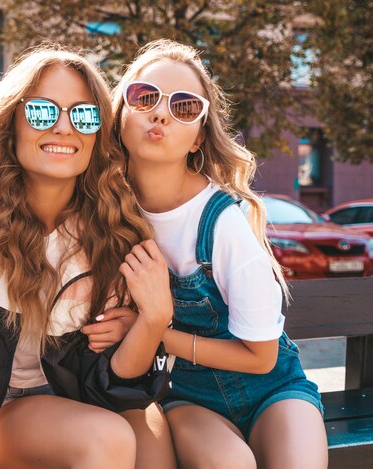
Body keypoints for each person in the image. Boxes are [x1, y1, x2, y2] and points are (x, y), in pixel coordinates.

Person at [0, 46, 176, 469]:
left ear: (98, 133)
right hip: (7, 415)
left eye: (84, 115)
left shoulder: (113, 229)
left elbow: (120, 386)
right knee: (107, 437)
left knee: (152, 449)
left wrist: (153, 320)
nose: (64, 128)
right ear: (11, 122)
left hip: (89, 400)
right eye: (42, 112)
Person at [108, 38, 327, 468]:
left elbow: (262, 358)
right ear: (120, 114)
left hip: (273, 388)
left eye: (184, 107)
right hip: (188, 398)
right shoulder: (110, 212)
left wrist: (150, 331)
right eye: (144, 96)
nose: (160, 114)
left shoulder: (223, 223)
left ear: (197, 139)